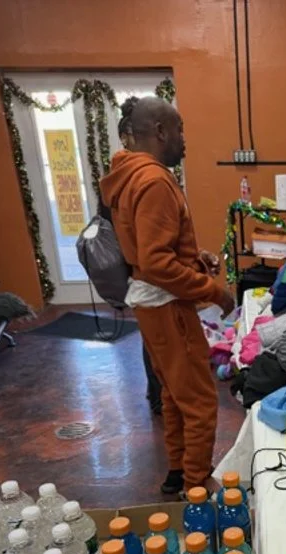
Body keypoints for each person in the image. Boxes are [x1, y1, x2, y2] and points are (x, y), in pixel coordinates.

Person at [100, 96, 234, 496]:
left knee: (175, 396)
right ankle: (196, 484)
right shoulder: (156, 180)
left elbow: (150, 249)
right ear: (160, 131)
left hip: (149, 303)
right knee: (199, 400)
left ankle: (177, 470)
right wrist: (214, 291)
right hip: (166, 305)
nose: (184, 140)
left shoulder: (129, 175)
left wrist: (193, 258)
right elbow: (157, 262)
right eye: (180, 130)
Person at [116, 97, 163, 416]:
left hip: (138, 275)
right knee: (157, 341)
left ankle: (159, 394)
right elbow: (155, 258)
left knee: (153, 340)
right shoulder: (147, 180)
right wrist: (211, 291)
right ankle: (160, 395)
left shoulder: (121, 175)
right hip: (147, 280)